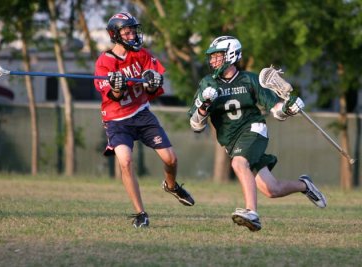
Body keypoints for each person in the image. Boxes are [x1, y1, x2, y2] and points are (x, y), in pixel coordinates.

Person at [188, 36, 326, 232]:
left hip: (253, 129)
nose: (213, 61)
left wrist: (288, 108)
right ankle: (305, 185)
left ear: (231, 55)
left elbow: (276, 110)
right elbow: (195, 125)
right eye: (212, 57)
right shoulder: (208, 83)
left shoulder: (249, 79)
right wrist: (204, 105)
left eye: (217, 56)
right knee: (271, 189)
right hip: (232, 142)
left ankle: (252, 212)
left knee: (238, 163)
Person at [93, 12, 194, 228]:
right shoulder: (104, 62)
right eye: (127, 32)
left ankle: (172, 186)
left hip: (142, 114)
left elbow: (153, 88)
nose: (132, 36)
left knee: (171, 159)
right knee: (126, 161)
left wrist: (152, 82)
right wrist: (118, 86)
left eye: (133, 31)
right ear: (115, 35)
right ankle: (141, 213)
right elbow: (114, 97)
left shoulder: (142, 55)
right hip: (117, 120)